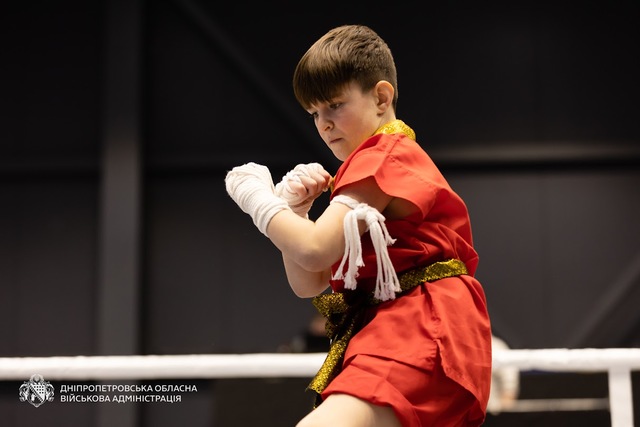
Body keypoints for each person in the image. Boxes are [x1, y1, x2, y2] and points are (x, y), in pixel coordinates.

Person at [225, 24, 492, 427]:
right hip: (401, 324)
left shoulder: (383, 155)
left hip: (421, 325)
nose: (324, 124)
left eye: (334, 105)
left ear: (381, 97)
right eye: (314, 113)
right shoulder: (373, 163)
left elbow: (314, 249)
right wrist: (295, 212)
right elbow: (309, 281)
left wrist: (258, 200)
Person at [487, 335, 520, 415]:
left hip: (490, 414)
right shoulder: (458, 345)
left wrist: (502, 416)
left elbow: (510, 387)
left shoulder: (496, 346)